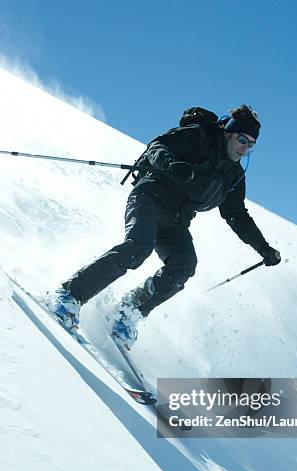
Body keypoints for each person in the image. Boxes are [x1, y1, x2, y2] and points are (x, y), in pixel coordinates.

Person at [48, 104, 281, 349]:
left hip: (177, 219)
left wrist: (263, 249)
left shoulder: (233, 175)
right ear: (229, 133)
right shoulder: (199, 136)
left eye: (251, 144)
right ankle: (69, 294)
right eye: (242, 139)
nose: (245, 148)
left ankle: (128, 311)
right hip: (149, 198)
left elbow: (237, 215)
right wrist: (171, 164)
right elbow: (158, 146)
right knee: (139, 248)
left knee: (184, 265)